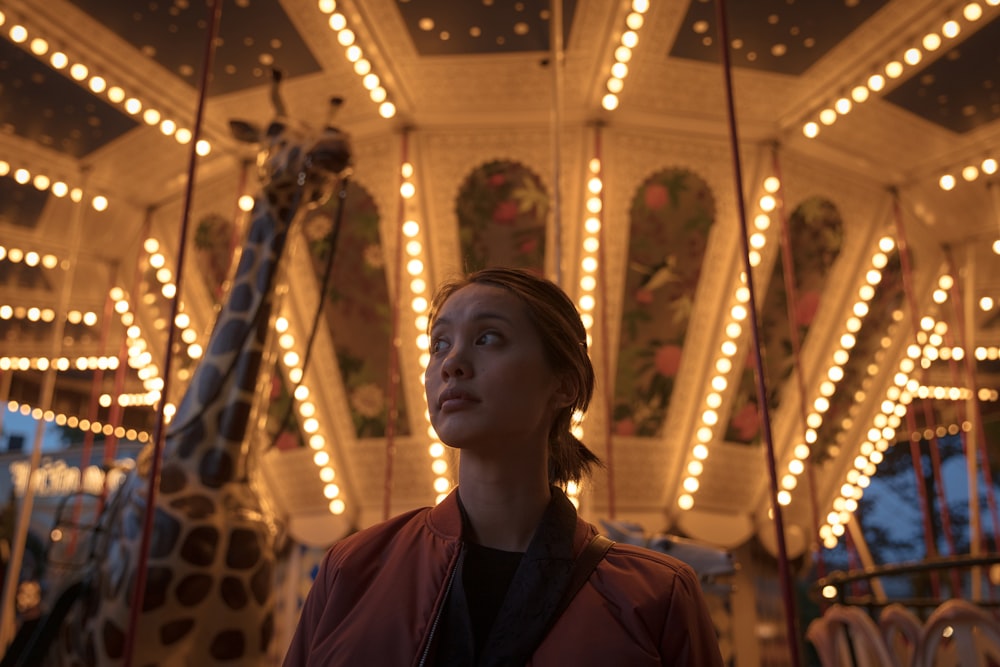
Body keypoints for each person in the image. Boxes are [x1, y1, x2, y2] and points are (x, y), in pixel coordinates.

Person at [283, 266, 724, 666]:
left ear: (564, 384)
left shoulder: (657, 595)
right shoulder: (353, 569)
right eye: (439, 344)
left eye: (487, 337)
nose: (451, 363)